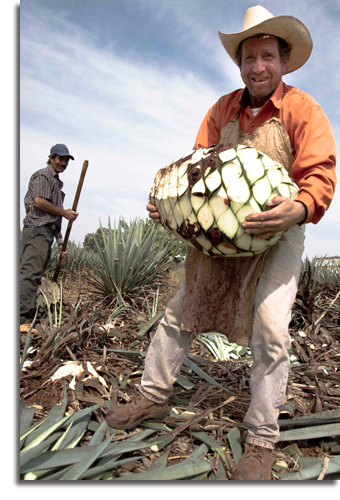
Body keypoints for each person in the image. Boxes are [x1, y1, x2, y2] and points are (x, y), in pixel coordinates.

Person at [106, 6, 336, 480]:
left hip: (277, 234)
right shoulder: (221, 109)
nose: (258, 66)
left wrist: (296, 209)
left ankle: (261, 438)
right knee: (181, 312)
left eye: (267, 56)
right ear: (239, 63)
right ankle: (151, 397)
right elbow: (195, 169)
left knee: (271, 327)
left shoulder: (302, 109)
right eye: (249, 56)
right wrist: (169, 207)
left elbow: (319, 176)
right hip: (216, 236)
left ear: (283, 61)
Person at [20, 144, 79, 324]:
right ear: (51, 158)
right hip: (37, 230)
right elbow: (38, 202)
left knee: (36, 274)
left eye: (66, 160)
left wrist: (60, 244)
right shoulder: (43, 175)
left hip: (46, 233)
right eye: (60, 159)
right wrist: (64, 213)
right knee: (30, 273)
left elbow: (54, 218)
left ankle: (28, 312)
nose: (63, 163)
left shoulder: (56, 182)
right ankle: (20, 318)